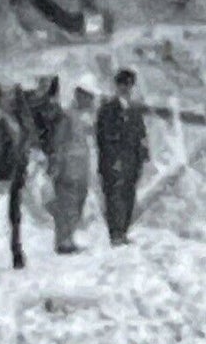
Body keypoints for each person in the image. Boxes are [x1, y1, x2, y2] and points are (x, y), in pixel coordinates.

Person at [95, 67, 149, 246]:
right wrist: (112, 160)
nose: (126, 88)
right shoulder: (108, 109)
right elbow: (103, 137)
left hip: (132, 161)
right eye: (122, 85)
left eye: (129, 85)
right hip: (113, 161)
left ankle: (123, 231)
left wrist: (143, 156)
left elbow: (141, 134)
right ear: (117, 86)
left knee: (128, 195)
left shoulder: (134, 110)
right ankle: (115, 233)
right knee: (114, 196)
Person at [47, 77, 98, 254]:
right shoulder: (67, 115)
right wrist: (57, 165)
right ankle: (63, 241)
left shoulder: (86, 118)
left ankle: (69, 237)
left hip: (81, 170)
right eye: (88, 97)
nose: (91, 101)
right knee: (66, 205)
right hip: (68, 169)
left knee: (77, 204)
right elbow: (59, 141)